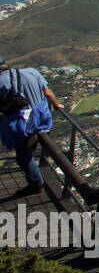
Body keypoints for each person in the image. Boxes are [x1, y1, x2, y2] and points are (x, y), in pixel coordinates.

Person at [0, 57, 64, 192]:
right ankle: (40, 157)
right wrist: (56, 104)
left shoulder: (1, 82)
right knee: (42, 144)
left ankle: (36, 183)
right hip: (43, 117)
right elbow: (47, 92)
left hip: (23, 122)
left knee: (23, 156)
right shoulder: (32, 72)